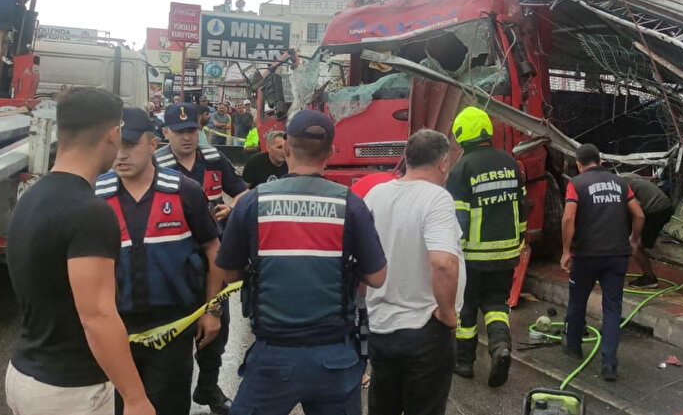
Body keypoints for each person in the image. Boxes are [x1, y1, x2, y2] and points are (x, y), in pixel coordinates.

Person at [217, 109, 387, 415]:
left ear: (287, 147)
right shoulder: (350, 204)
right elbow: (377, 277)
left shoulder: (254, 202)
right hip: (335, 357)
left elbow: (228, 273)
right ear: (331, 151)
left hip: (272, 358)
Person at [5, 87, 155, 415]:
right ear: (114, 134)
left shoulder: (30, 196)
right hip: (69, 391)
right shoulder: (90, 212)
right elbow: (97, 316)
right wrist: (135, 397)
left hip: (25, 373)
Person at [94, 107, 223, 414]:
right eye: (115, 146)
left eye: (129, 145)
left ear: (152, 145)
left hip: (173, 330)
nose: (120, 155)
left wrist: (212, 310)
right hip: (118, 329)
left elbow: (213, 250)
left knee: (169, 407)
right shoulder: (97, 196)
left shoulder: (184, 192)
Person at [155, 103, 248, 414]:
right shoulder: (156, 165)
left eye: (192, 131)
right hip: (174, 260)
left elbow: (242, 191)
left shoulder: (212, 158)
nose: (187, 138)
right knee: (176, 337)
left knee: (217, 329)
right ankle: (172, 395)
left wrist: (232, 207)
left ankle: (207, 388)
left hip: (213, 257)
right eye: (180, 132)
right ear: (165, 132)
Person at [365, 129, 465, 415]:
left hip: (381, 326)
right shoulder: (437, 198)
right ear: (443, 163)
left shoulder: (376, 194)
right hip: (424, 328)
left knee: (383, 406)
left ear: (406, 158)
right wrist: (447, 313)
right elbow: (443, 262)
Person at [446, 107, 524, 387]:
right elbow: (522, 208)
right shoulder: (510, 163)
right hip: (506, 253)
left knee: (466, 309)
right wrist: (519, 242)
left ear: (461, 135)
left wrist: (453, 252)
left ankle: (464, 362)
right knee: (496, 305)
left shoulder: (461, 169)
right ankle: (500, 347)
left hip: (472, 256)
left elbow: (459, 219)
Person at [560, 144, 644, 382]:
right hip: (617, 256)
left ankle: (573, 347)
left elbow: (568, 217)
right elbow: (639, 214)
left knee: (577, 301)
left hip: (586, 255)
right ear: (600, 160)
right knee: (612, 308)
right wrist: (634, 239)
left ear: (578, 164)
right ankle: (609, 364)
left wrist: (566, 251)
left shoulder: (576, 184)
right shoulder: (620, 183)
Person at [624, 174, 674, 289]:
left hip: (656, 210)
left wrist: (634, 237)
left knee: (636, 246)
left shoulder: (620, 188)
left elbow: (638, 211)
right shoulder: (620, 182)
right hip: (658, 206)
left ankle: (649, 278)